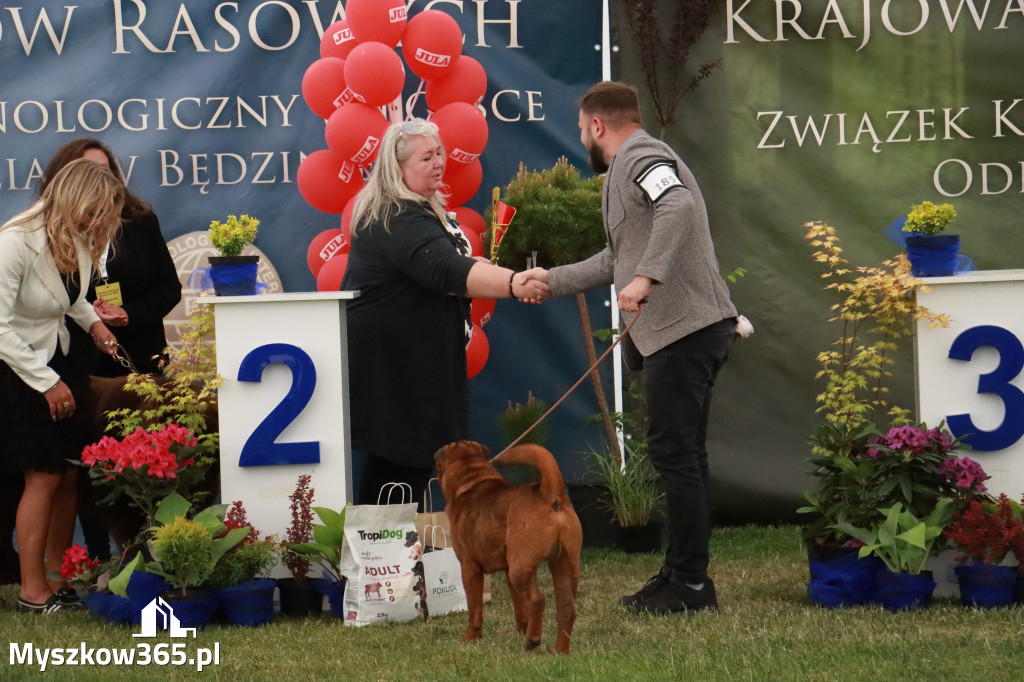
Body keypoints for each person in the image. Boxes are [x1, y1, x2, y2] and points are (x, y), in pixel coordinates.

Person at [522, 81, 739, 615]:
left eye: (581, 130)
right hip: (683, 331)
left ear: (598, 125)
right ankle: (682, 576)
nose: (583, 140)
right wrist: (550, 280)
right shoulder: (625, 171)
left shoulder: (642, 154)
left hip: (685, 332)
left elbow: (678, 204)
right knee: (683, 456)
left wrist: (646, 278)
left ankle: (689, 585)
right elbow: (613, 260)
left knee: (675, 458)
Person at [340, 118, 549, 507]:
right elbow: (446, 272)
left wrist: (484, 270)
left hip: (416, 359)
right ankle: (377, 559)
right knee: (399, 460)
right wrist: (512, 282)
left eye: (440, 153)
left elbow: (442, 266)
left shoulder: (417, 210)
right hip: (394, 367)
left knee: (412, 459)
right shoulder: (395, 215)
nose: (439, 162)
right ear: (398, 168)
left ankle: (390, 558)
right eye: (427, 157)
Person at [0, 159, 123, 613]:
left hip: (59, 357)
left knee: (69, 472)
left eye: (102, 217)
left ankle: (58, 578)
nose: (96, 224)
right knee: (44, 475)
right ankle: (33, 592)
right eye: (91, 214)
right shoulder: (14, 242)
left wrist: (94, 324)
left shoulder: (79, 235)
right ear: (71, 200)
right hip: (18, 367)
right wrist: (47, 382)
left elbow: (67, 297)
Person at [38, 138, 182, 377]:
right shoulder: (49, 232)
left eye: (105, 169)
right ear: (66, 180)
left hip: (141, 358)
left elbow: (169, 288)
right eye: (88, 170)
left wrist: (128, 314)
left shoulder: (140, 222)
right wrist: (92, 321)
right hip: (77, 364)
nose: (99, 177)